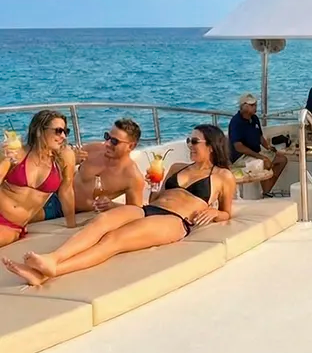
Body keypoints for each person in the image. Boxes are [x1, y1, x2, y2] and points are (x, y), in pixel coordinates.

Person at [3, 125, 235, 286]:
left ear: (211, 146)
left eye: (194, 141)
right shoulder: (176, 168)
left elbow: (227, 212)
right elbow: (155, 200)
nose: (190, 145)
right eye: (188, 141)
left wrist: (215, 212)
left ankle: (53, 272)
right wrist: (153, 186)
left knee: (114, 240)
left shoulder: (223, 176)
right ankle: (52, 258)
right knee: (100, 223)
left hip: (175, 220)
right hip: (148, 209)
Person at [41, 117, 145, 218]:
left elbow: (136, 211)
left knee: (28, 215)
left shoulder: (133, 177)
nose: (107, 144)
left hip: (70, 211)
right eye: (107, 137)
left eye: (114, 141)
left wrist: (113, 206)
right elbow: (57, 162)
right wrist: (71, 160)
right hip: (55, 193)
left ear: (131, 146)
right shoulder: (93, 149)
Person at [0, 111, 77, 245]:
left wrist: (72, 226)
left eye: (66, 131)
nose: (63, 136)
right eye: (58, 131)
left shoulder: (65, 157)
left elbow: (66, 191)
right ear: (39, 131)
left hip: (12, 225)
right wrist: (4, 159)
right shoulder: (19, 153)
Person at [227, 95, 287, 196]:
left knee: (282, 160)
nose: (255, 107)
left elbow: (260, 136)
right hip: (241, 157)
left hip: (256, 152)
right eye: (252, 105)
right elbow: (238, 146)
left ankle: (266, 190)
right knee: (265, 163)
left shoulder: (254, 118)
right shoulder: (236, 122)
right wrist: (261, 157)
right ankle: (264, 193)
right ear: (243, 106)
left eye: (255, 105)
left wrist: (268, 148)